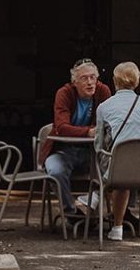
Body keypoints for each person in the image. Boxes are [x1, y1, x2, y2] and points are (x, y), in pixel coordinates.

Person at [94, 61, 140, 242]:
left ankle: (116, 224)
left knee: (112, 166)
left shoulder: (104, 107)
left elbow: (98, 144)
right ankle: (121, 216)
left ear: (115, 82)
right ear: (137, 82)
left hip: (118, 170)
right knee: (127, 163)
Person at [40, 58, 111, 216]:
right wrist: (88, 132)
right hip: (63, 150)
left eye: (93, 77)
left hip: (92, 152)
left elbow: (108, 124)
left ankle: (118, 213)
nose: (90, 82)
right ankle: (71, 213)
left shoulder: (102, 91)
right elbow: (61, 127)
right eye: (84, 78)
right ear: (74, 82)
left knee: (119, 167)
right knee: (55, 171)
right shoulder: (64, 93)